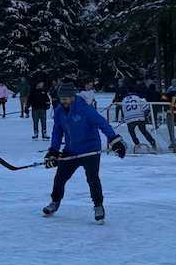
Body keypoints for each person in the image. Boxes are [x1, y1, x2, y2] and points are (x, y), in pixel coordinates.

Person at [42, 80, 126, 222]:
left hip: (90, 149)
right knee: (60, 177)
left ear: (73, 96)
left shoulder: (85, 109)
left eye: (66, 98)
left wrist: (114, 139)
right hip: (71, 150)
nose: (64, 101)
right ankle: (55, 202)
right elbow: (57, 131)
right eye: (62, 99)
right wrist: (53, 151)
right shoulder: (59, 111)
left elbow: (102, 123)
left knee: (92, 179)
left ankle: (98, 205)